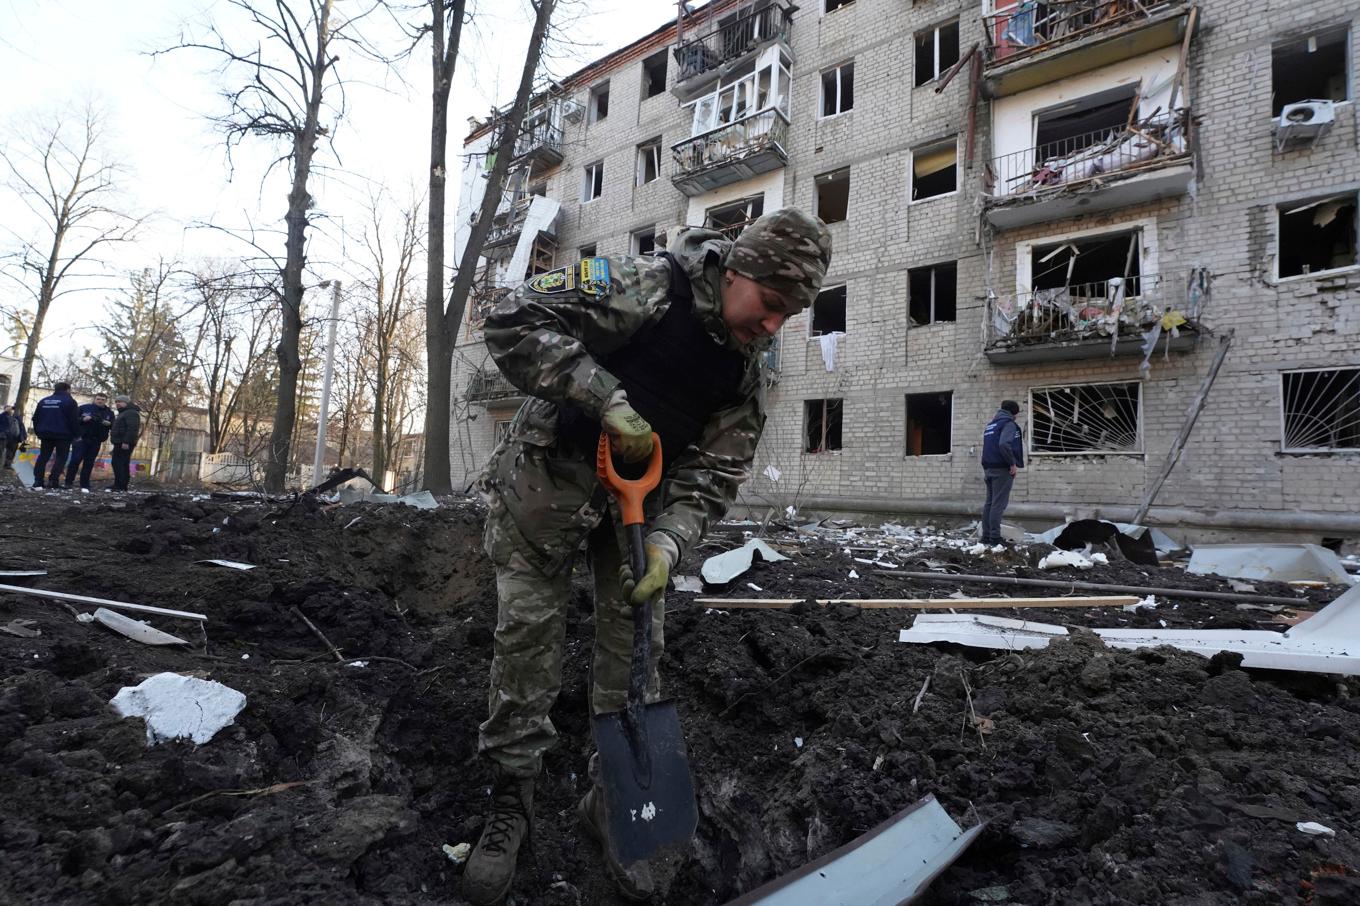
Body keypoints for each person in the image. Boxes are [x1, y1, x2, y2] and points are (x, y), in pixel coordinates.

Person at [463, 209, 832, 906]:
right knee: (526, 644)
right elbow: (512, 319)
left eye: (793, 315)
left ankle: (616, 800)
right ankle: (511, 797)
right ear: (737, 271)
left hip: (635, 516)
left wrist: (669, 542)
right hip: (547, 493)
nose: (774, 326)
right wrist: (603, 398)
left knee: (637, 645)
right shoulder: (645, 287)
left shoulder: (743, 374)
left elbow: (714, 475)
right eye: (771, 305)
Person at [980, 399, 1025, 544]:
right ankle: (994, 538)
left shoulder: (991, 425)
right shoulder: (1008, 424)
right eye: (1016, 414)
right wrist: (1012, 463)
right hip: (1002, 469)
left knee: (990, 504)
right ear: (1014, 413)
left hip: (989, 468)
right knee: (998, 505)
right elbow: (1004, 444)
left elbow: (989, 447)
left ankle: (986, 537)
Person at [30, 381, 80, 489]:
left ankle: (38, 482)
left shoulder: (44, 401)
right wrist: (77, 435)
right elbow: (74, 420)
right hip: (63, 435)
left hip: (45, 434)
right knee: (61, 457)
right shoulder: (70, 401)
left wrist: (38, 432)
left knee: (43, 457)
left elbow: (35, 418)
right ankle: (53, 481)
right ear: (68, 390)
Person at [62, 391, 115, 490]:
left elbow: (113, 425)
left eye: (103, 400)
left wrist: (108, 424)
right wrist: (83, 419)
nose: (100, 401)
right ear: (94, 399)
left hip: (96, 440)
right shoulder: (84, 408)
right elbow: (72, 421)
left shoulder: (109, 413)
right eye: (98, 399)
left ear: (106, 401)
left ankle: (85, 484)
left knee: (89, 462)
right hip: (81, 439)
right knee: (75, 461)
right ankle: (68, 482)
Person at [109, 394, 142, 492]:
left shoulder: (131, 413)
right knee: (119, 463)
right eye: (116, 402)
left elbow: (132, 428)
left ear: (126, 403)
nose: (117, 404)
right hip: (120, 442)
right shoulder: (124, 412)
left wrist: (126, 441)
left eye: (120, 402)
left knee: (120, 463)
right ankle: (119, 485)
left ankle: (120, 486)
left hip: (124, 443)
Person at [1, 404, 26, 470]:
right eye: (9, 409)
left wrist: (23, 437)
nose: (11, 410)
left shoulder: (17, 417)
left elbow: (21, 427)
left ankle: (7, 465)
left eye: (12, 409)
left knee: (11, 452)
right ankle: (4, 464)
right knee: (1, 450)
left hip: (14, 438)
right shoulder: (3, 416)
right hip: (4, 437)